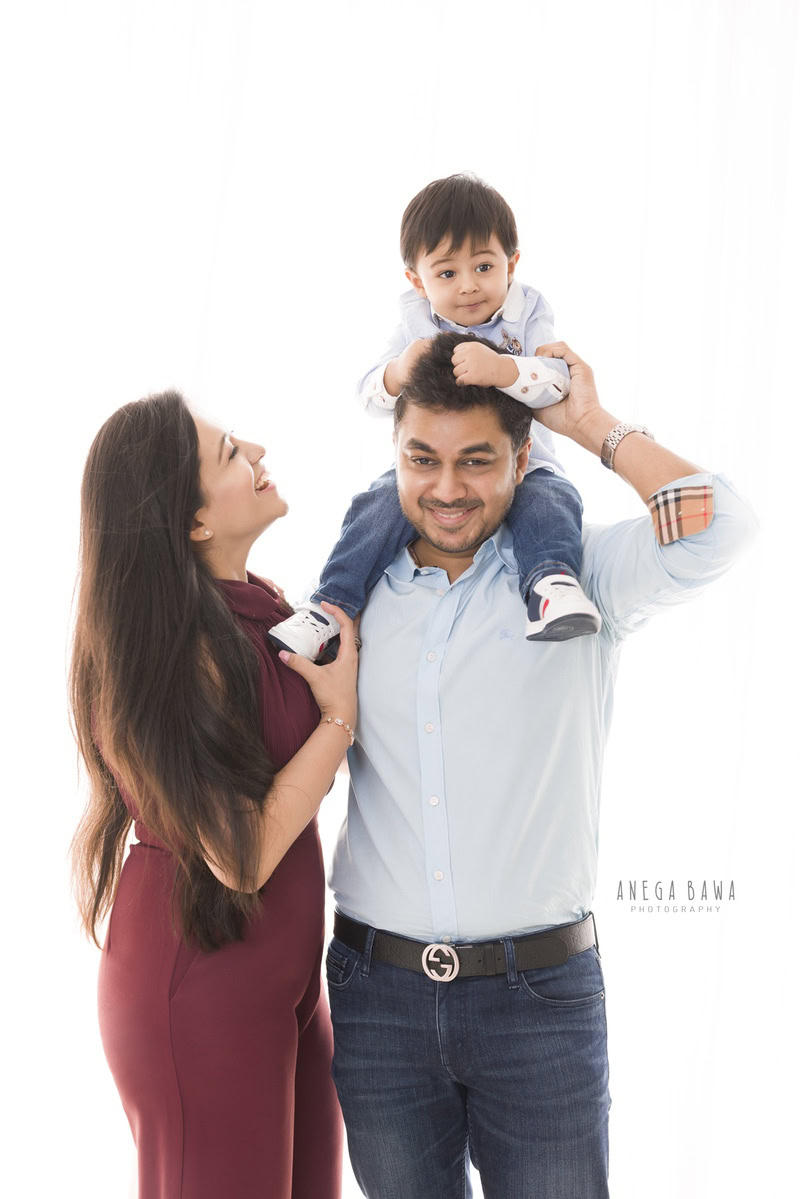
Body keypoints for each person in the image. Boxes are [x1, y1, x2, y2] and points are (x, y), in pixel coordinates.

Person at [324, 332, 757, 1198]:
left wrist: (591, 423)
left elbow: (722, 528)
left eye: (477, 460)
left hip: (539, 1005)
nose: (447, 488)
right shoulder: (351, 599)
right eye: (422, 459)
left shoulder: (576, 576)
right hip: (377, 1001)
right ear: (394, 455)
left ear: (523, 461)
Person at [70, 391, 357, 1198]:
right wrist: (338, 719)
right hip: (202, 990)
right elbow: (241, 854)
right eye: (231, 452)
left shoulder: (257, 606)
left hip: (282, 985)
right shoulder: (173, 656)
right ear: (192, 521)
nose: (258, 450)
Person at [269, 173, 601, 659]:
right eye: (447, 274)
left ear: (511, 264)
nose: (468, 286)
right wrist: (399, 370)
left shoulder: (527, 312)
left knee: (552, 504)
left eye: (484, 266)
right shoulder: (415, 322)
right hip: (428, 461)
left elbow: (558, 380)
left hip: (523, 465)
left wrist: (505, 369)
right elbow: (368, 395)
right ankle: (327, 607)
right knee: (376, 508)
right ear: (417, 280)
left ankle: (551, 587)